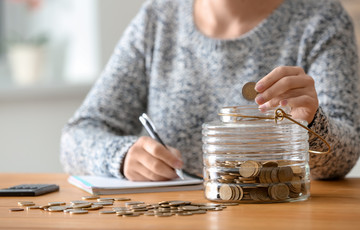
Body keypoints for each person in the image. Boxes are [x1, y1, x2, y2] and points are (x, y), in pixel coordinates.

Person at [60, 0, 360, 181]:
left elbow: (345, 156)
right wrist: (122, 156)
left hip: (280, 222)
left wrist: (310, 125)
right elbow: (78, 135)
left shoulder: (321, 19)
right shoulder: (158, 18)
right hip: (173, 224)